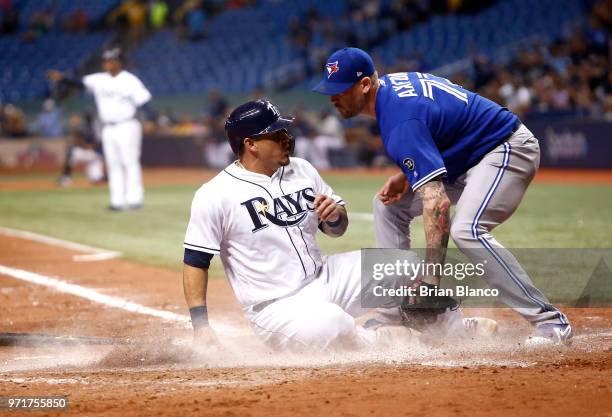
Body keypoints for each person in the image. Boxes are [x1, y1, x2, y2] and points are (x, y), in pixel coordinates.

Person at [182, 99, 497, 352]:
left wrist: (335, 216)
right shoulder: (215, 194)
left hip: (325, 277)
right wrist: (201, 326)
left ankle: (453, 331)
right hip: (276, 306)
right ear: (250, 144)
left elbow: (337, 228)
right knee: (331, 324)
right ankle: (379, 341)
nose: (286, 138)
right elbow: (196, 260)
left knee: (404, 264)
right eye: (276, 134)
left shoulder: (302, 170)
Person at [312, 47, 572, 346]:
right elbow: (439, 122)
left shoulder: (399, 121)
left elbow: (437, 202)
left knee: (467, 230)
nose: (332, 98)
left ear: (366, 85)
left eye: (340, 90)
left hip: (506, 147)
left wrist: (430, 280)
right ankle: (392, 310)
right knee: (386, 207)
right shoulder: (391, 92)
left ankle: (551, 323)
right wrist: (408, 175)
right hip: (467, 157)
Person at [47, 47, 155, 211]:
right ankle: (117, 201)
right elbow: (79, 83)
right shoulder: (99, 79)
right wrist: (62, 79)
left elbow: (144, 101)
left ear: (119, 62)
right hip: (108, 127)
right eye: (105, 60)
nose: (107, 63)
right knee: (113, 164)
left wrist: (150, 118)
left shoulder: (130, 80)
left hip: (127, 125)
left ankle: (135, 199)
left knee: (130, 162)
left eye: (110, 60)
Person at [58, 112, 105, 187]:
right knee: (71, 152)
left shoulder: (89, 128)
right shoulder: (94, 128)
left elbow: (78, 139)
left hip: (91, 154)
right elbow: (79, 139)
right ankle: (66, 178)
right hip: (90, 153)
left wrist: (74, 126)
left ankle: (65, 178)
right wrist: (75, 126)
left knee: (96, 178)